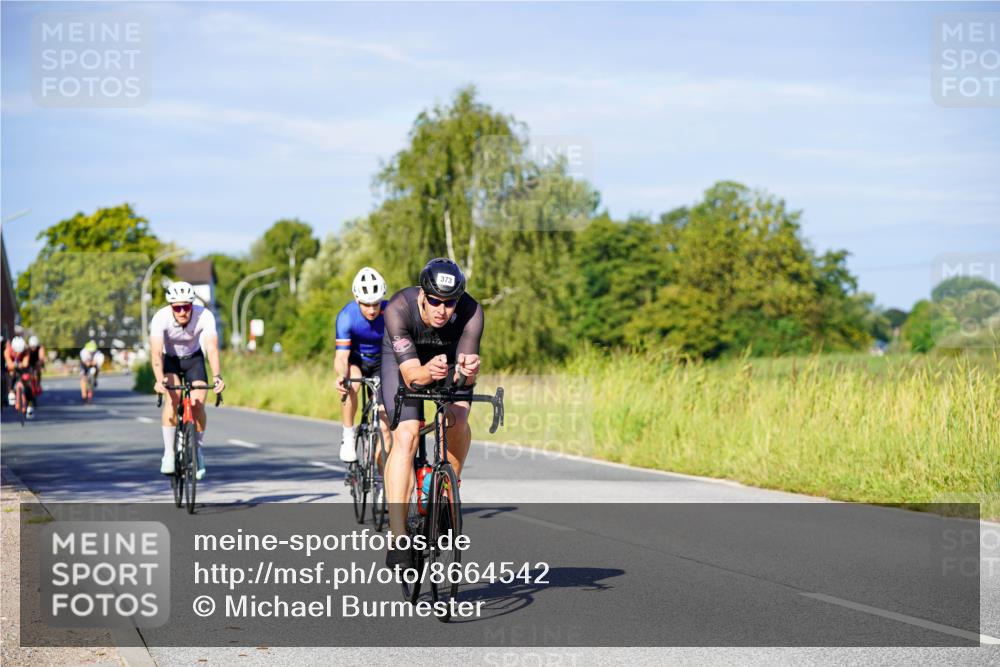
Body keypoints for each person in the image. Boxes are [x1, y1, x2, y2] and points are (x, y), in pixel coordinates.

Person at [380, 258, 483, 569]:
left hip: (447, 362)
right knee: (407, 437)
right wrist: (426, 372)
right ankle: (398, 537)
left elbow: (465, 375)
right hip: (404, 364)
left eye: (449, 303)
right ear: (422, 295)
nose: (442, 309)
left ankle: (447, 491)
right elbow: (412, 376)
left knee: (458, 419)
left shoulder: (471, 312)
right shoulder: (398, 308)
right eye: (435, 301)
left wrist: (466, 372)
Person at [149, 281, 225, 479]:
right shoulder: (160, 318)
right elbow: (156, 353)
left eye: (186, 306)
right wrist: (159, 381)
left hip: (194, 360)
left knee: (198, 404)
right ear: (171, 307)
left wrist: (217, 377)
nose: (182, 311)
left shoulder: (205, 316)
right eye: (177, 307)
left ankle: (198, 451)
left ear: (192, 305)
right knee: (172, 401)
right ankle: (169, 453)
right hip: (171, 361)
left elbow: (212, 348)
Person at [334, 267, 390, 463]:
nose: (372, 310)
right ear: (357, 300)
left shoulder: (391, 312)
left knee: (385, 423)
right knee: (352, 384)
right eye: (366, 304)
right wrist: (342, 376)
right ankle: (348, 435)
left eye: (376, 303)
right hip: (356, 360)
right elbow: (341, 357)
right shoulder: (347, 316)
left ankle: (384, 484)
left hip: (383, 362)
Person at [5, 336, 35, 417]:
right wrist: (14, 365)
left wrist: (19, 365)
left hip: (23, 369)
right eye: (16, 351)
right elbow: (9, 364)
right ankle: (11, 391)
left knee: (28, 384)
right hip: (12, 369)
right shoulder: (8, 351)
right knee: (10, 373)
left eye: (20, 352)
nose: (18, 353)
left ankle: (29, 405)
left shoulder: (26, 351)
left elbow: (25, 363)